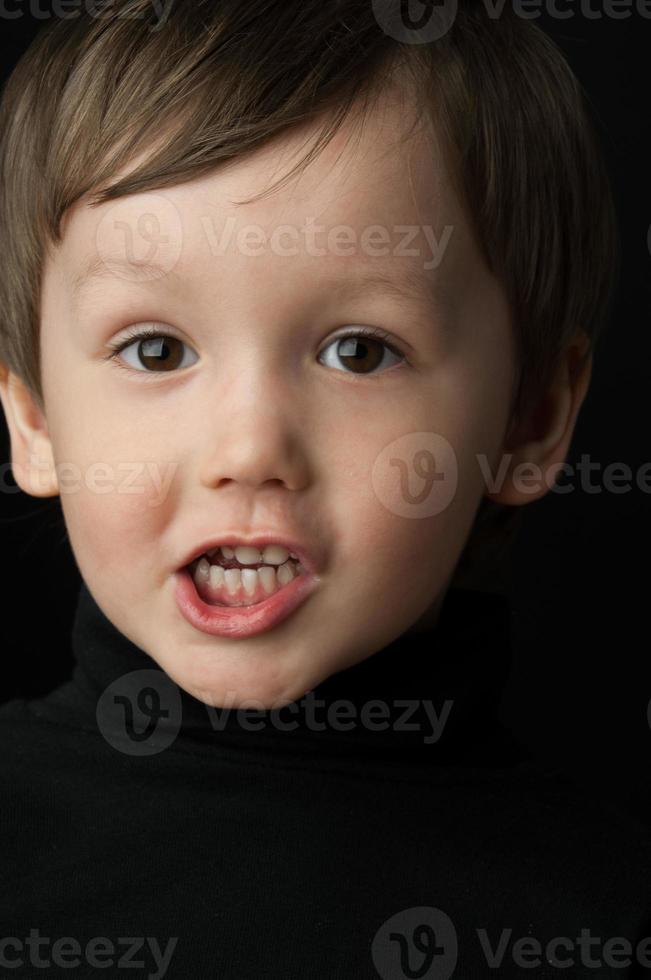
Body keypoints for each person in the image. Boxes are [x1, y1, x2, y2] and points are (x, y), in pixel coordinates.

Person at [0, 2, 648, 977]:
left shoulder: (604, 908)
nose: (250, 446)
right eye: (155, 348)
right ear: (36, 421)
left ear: (529, 421)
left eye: (359, 351)